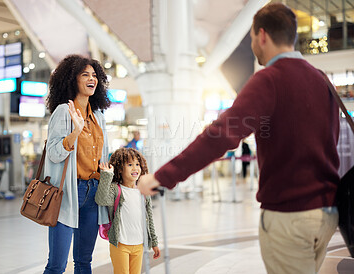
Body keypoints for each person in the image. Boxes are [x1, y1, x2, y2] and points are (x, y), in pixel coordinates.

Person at [138, 3, 339, 274]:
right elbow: (331, 140)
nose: (253, 45)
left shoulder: (269, 79)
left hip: (290, 216)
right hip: (326, 214)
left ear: (262, 35)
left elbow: (221, 134)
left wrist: (164, 175)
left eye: (252, 37)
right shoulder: (322, 79)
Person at [43, 54, 111, 273]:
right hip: (69, 193)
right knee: (57, 265)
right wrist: (76, 131)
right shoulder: (63, 112)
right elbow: (54, 153)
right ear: (72, 80)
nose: (91, 79)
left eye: (94, 75)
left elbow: (104, 155)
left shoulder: (98, 115)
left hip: (93, 194)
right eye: (85, 75)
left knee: (84, 261)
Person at [95, 148, 160, 274]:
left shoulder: (143, 191)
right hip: (120, 244)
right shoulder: (116, 189)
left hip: (139, 244)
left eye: (137, 164)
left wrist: (154, 241)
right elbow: (101, 199)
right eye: (130, 165)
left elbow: (149, 218)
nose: (135, 168)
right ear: (119, 169)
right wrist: (107, 175)